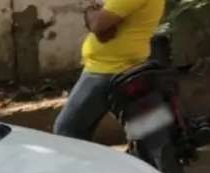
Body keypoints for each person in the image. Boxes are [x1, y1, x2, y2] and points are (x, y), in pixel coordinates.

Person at [54, 0, 166, 141]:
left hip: (106, 71)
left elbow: (99, 24)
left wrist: (90, 13)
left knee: (67, 130)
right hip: (127, 67)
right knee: (146, 135)